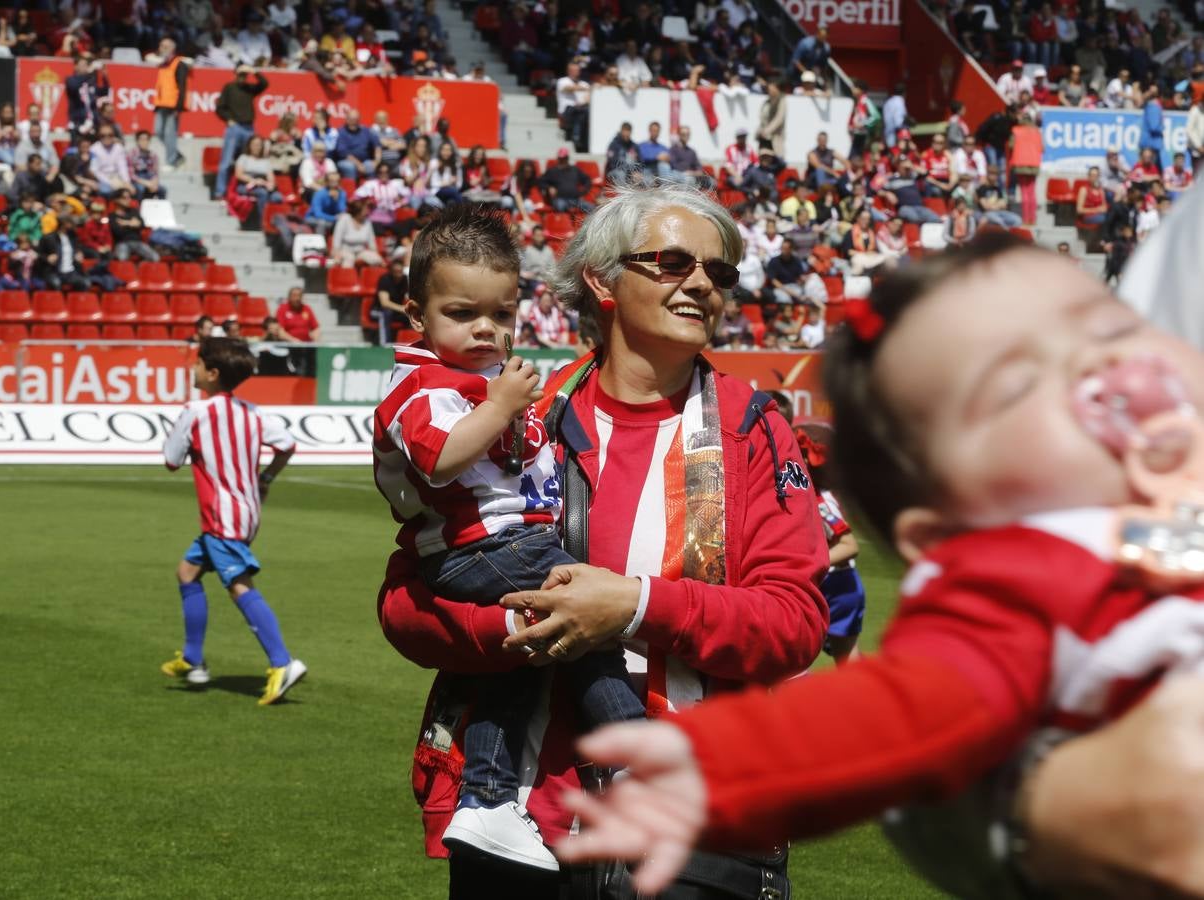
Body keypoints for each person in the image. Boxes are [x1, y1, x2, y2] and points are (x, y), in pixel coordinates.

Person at [552, 231, 1204, 893]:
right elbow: (894, 715)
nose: (1103, 370)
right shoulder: (1025, 577)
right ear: (950, 529)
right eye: (1019, 385)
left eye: (1111, 327)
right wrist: (714, 772)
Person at [376, 181, 827, 897]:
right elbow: (405, 600)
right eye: (673, 262)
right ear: (602, 280)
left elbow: (794, 624)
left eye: (719, 271)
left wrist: (635, 605)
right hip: (517, 832)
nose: (701, 284)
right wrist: (515, 628)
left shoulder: (753, 428)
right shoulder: (528, 410)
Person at [374, 206, 647, 868]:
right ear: (415, 315)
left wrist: (508, 410)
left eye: (501, 313)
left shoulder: (482, 381)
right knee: (584, 619)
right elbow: (438, 460)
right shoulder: (421, 383)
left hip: (499, 545)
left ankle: (488, 800)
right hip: (479, 547)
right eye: (462, 313)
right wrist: (501, 406)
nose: (486, 329)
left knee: (525, 658)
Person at [160, 337, 307, 707]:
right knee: (187, 572)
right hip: (246, 513)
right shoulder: (252, 413)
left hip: (221, 518)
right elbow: (288, 444)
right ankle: (193, 658)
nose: (193, 368)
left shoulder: (195, 411)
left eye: (198, 363)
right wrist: (266, 478)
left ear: (212, 373)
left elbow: (171, 460)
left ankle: (283, 663)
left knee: (239, 585)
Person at [213, 65, 267, 200]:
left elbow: (264, 84)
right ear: (235, 74)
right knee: (226, 161)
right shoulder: (229, 87)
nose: (243, 77)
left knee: (246, 161)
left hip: (249, 128)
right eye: (240, 74)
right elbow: (220, 108)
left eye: (245, 75)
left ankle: (242, 190)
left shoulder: (249, 88)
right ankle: (220, 192)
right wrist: (229, 119)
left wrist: (254, 71)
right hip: (235, 128)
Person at [153, 36, 191, 169]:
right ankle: (176, 155)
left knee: (170, 133)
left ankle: (171, 161)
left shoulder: (179, 64)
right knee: (158, 132)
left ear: (172, 49)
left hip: (173, 106)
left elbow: (182, 87)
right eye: (161, 46)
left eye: (165, 46)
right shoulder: (163, 64)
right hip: (161, 104)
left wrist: (178, 107)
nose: (161, 49)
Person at [37, 215, 91, 291]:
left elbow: (77, 249)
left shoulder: (73, 238)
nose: (73, 225)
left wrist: (78, 253)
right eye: (70, 223)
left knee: (85, 283)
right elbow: (39, 254)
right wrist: (47, 258)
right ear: (63, 224)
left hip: (71, 272)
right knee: (55, 283)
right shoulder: (48, 238)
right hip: (54, 272)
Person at [538, 149, 594, 214]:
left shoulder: (575, 170)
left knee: (592, 208)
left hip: (575, 199)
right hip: (560, 199)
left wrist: (583, 192)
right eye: (560, 159)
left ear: (567, 158)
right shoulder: (552, 171)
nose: (562, 160)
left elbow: (587, 180)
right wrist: (549, 187)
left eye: (564, 158)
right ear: (558, 159)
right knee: (560, 206)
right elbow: (541, 181)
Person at [330, 200, 383, 268]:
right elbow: (337, 239)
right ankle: (347, 275)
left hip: (361, 251)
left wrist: (377, 255)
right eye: (364, 210)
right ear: (357, 212)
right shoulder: (344, 219)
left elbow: (371, 242)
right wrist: (336, 253)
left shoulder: (367, 222)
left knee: (376, 259)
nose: (367, 212)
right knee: (349, 259)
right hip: (344, 251)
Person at [333, 109, 379, 183]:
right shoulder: (341, 132)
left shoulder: (366, 131)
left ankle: (371, 189)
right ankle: (351, 189)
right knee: (350, 167)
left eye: (356, 120)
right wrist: (358, 165)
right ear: (346, 119)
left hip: (364, 160)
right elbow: (343, 153)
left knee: (370, 165)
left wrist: (376, 161)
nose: (353, 122)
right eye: (351, 119)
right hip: (346, 160)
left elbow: (377, 146)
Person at [556, 59, 591, 151]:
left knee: (584, 111)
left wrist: (585, 101)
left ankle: (580, 140)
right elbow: (568, 88)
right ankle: (576, 138)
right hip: (566, 112)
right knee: (577, 110)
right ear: (568, 71)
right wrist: (585, 89)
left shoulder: (584, 84)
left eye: (578, 70)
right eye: (574, 70)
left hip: (582, 110)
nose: (576, 72)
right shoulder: (562, 81)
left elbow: (589, 98)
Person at [374, 256, 409, 344]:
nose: (398, 274)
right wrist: (402, 308)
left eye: (400, 271)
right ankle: (385, 343)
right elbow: (384, 303)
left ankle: (407, 342)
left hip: (396, 311)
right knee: (386, 313)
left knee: (411, 316)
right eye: (396, 271)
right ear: (391, 270)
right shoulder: (384, 280)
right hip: (377, 310)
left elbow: (409, 296)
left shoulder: (404, 279)